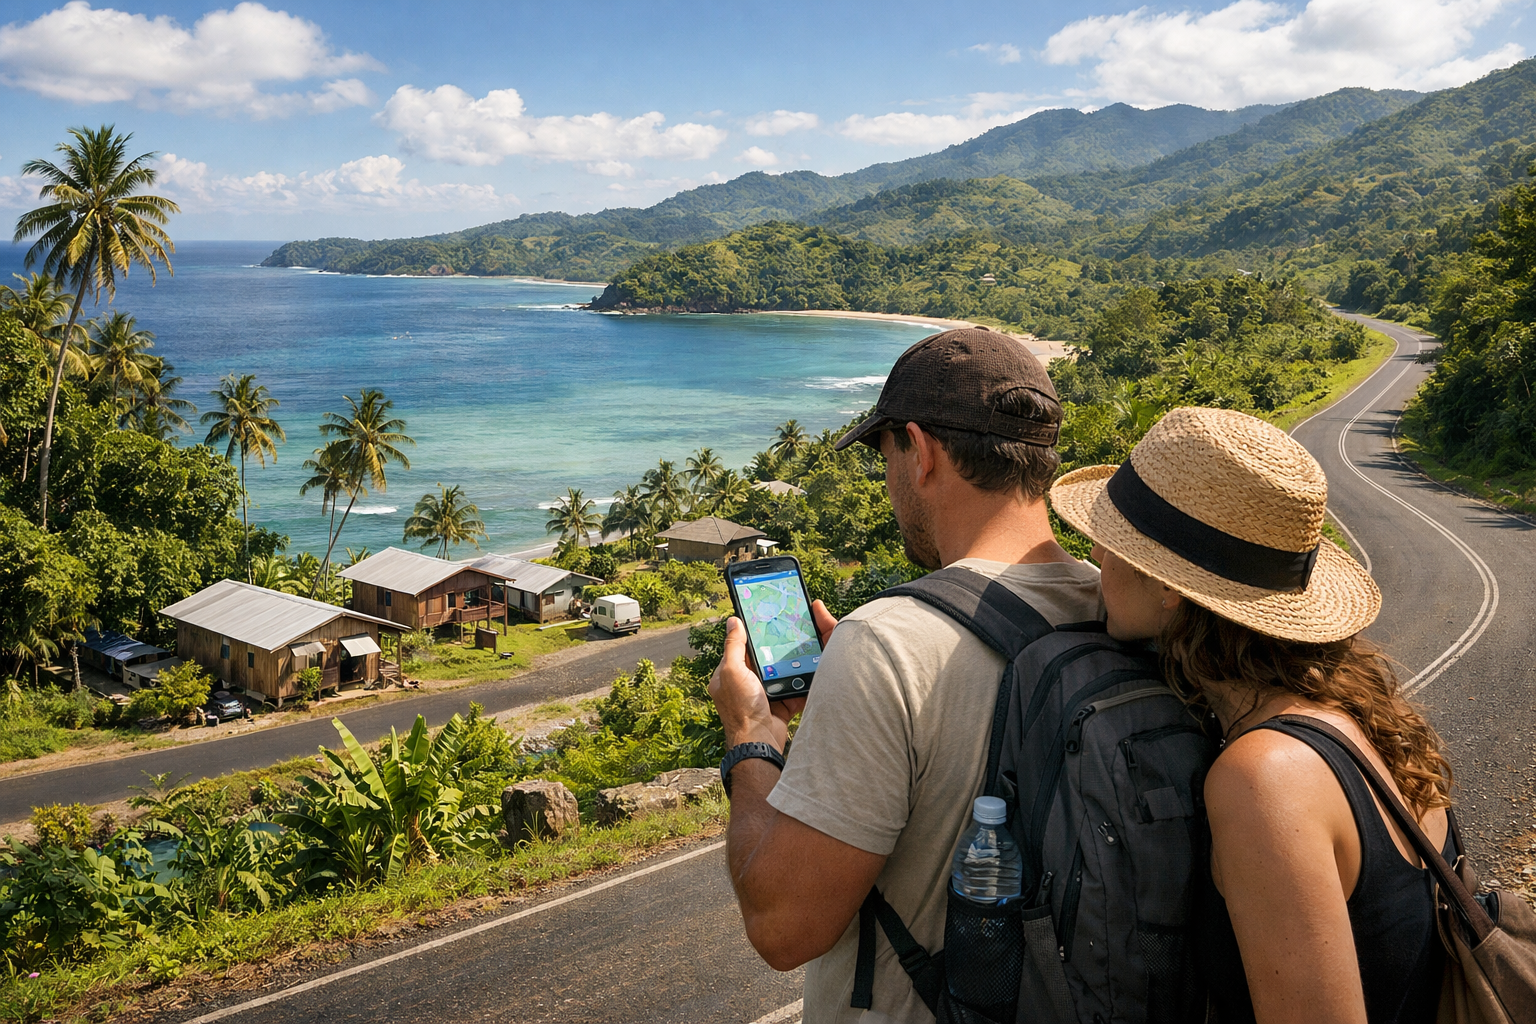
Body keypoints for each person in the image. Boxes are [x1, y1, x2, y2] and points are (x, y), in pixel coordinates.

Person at [708, 327, 1104, 1022]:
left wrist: (750, 741)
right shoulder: (1119, 605)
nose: (888, 482)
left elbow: (782, 929)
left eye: (883, 454)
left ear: (919, 451)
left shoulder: (886, 643)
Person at [1049, 405, 1454, 1024]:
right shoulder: (1361, 713)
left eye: (1112, 541)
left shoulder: (1265, 778)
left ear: (1168, 587)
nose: (1096, 554)